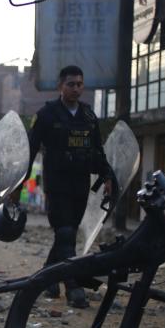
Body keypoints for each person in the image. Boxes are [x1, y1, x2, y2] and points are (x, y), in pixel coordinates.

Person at [25, 65, 113, 308]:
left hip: (80, 183)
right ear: (60, 86)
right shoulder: (47, 115)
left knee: (67, 234)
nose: (76, 88)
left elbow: (98, 150)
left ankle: (46, 275)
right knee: (64, 233)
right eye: (71, 84)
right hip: (56, 184)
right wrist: (18, 184)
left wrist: (107, 176)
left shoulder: (88, 116)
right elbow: (31, 150)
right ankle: (72, 286)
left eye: (79, 84)